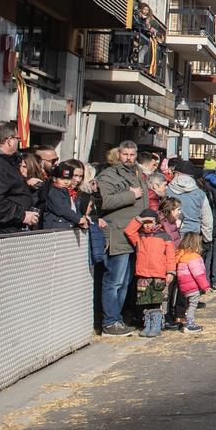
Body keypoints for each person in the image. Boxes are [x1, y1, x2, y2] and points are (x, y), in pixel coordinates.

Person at [96, 142, 145, 335]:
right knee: (114, 280)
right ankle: (109, 321)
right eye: (125, 154)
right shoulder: (109, 175)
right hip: (117, 233)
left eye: (132, 154)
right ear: (119, 154)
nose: (129, 158)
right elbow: (105, 201)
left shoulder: (138, 173)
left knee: (125, 282)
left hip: (134, 234)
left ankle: (118, 318)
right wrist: (130, 195)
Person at [126, 210, 175, 338]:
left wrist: (170, 271)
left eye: (150, 222)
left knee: (156, 301)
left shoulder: (164, 236)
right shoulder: (139, 237)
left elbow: (170, 256)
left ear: (157, 222)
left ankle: (156, 325)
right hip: (143, 275)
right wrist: (139, 220)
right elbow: (129, 231)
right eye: (145, 223)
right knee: (144, 301)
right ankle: (147, 324)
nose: (147, 225)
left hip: (158, 274)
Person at [38, 160, 88, 230]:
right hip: (55, 230)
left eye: (68, 178)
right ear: (54, 179)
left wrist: (82, 220)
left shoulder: (66, 192)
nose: (66, 182)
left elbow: (74, 210)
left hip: (65, 229)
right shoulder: (54, 192)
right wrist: (78, 219)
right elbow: (63, 209)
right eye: (62, 178)